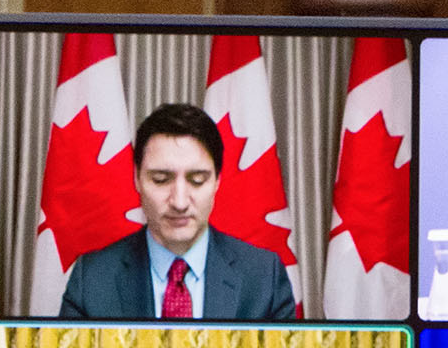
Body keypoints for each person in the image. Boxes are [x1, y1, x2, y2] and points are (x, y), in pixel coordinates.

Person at [58, 104, 299, 321]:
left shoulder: (264, 280)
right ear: (137, 179)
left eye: (197, 180)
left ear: (217, 181)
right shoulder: (91, 281)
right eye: (161, 180)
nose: (180, 202)